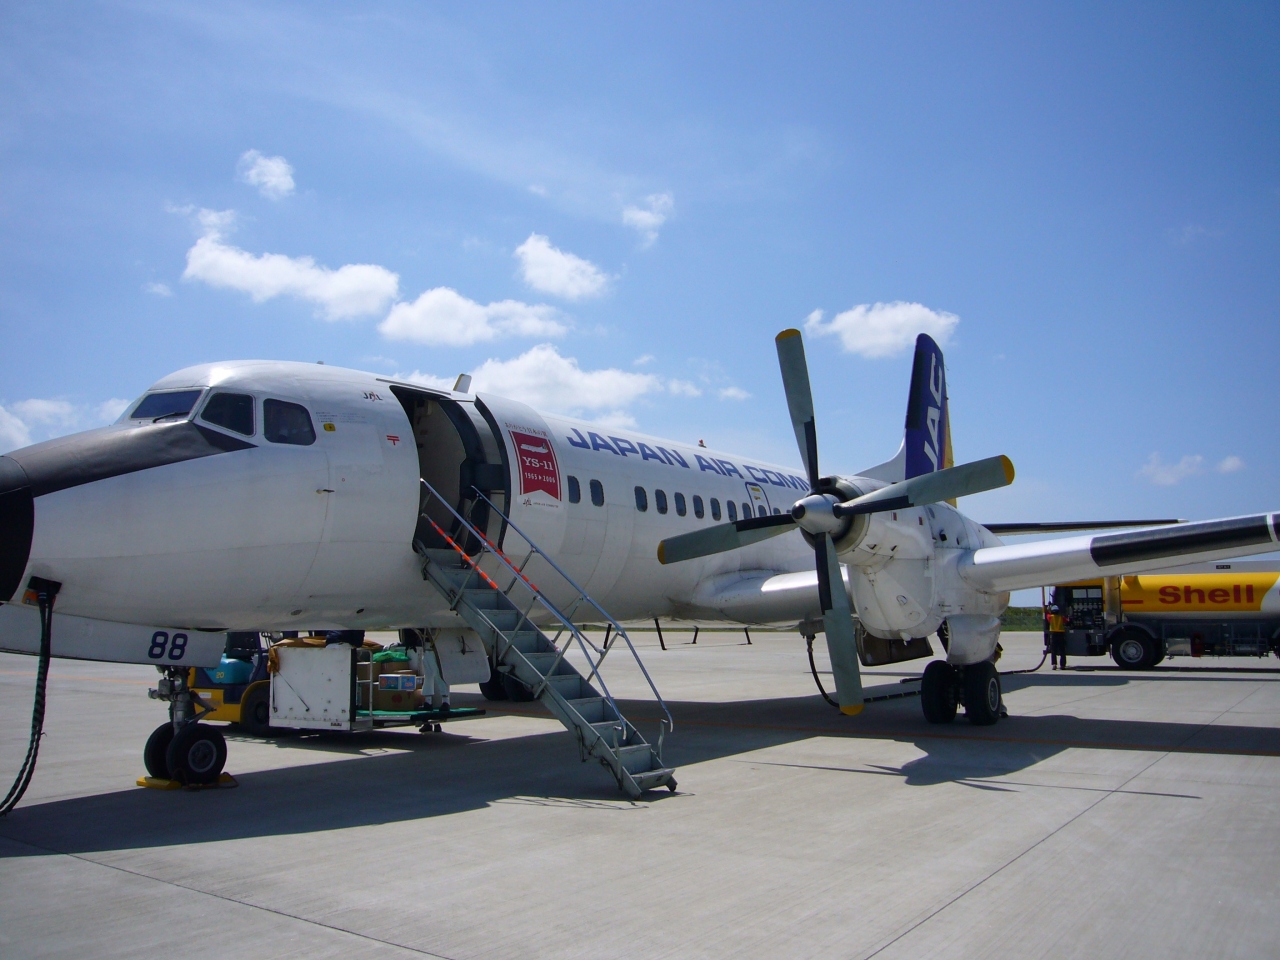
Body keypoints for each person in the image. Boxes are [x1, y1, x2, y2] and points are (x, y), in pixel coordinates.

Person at [1047, 604, 1068, 670]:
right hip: (1061, 635)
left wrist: (1048, 609)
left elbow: (1047, 615)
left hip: (1053, 635)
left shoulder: (1050, 617)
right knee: (1062, 651)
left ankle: (1054, 664)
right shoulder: (1061, 617)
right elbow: (1067, 621)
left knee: (1053, 651)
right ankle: (1063, 665)